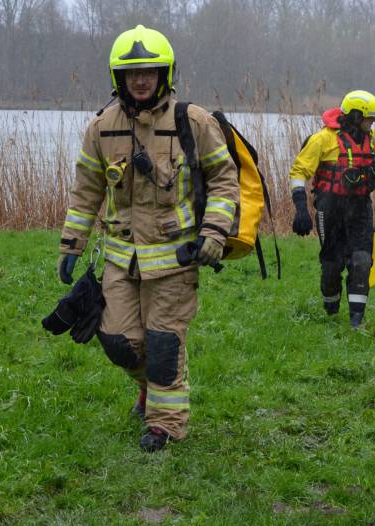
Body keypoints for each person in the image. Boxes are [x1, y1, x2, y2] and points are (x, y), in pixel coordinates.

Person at [57, 25, 239, 451]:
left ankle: (165, 425)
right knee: (118, 342)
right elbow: (86, 191)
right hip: (121, 258)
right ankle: (150, 389)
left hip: (176, 259)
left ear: (165, 73)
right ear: (119, 77)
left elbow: (224, 180)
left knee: (162, 342)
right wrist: (71, 245)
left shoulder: (193, 123)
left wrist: (214, 231)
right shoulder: (101, 128)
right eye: (132, 72)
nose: (141, 79)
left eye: (150, 71)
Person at [288, 90, 375, 329]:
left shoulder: (372, 138)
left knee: (361, 261)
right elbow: (298, 173)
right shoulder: (322, 140)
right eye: (369, 118)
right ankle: (331, 307)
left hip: (360, 207)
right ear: (357, 116)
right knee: (332, 264)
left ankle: (356, 322)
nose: (373, 123)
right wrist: (300, 209)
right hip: (330, 207)